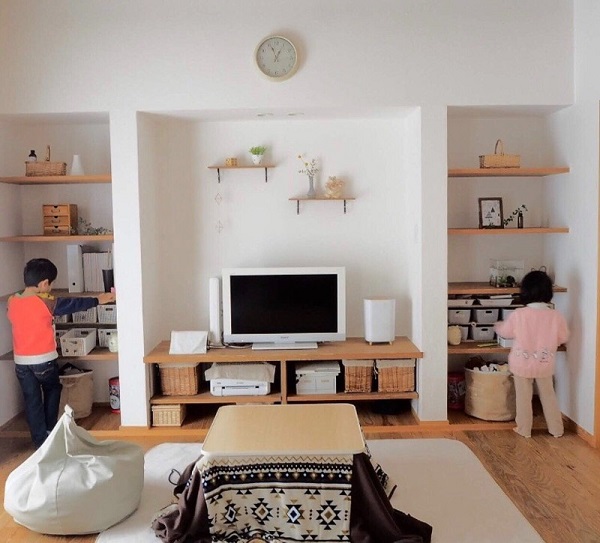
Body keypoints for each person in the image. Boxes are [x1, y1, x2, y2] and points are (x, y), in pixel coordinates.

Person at [7, 258, 116, 448]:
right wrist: (98, 299)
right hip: (44, 360)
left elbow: (19, 305)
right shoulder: (45, 302)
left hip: (21, 362)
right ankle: (50, 431)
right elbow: (72, 304)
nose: (51, 288)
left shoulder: (13, 301)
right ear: (44, 284)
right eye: (51, 284)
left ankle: (39, 440)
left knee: (31, 399)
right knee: (52, 389)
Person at [494, 270, 569, 438]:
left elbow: (506, 332)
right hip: (544, 364)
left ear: (525, 291)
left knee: (523, 398)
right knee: (549, 396)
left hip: (521, 364)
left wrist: (497, 326)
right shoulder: (555, 316)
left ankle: (524, 429)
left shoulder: (519, 314)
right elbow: (563, 337)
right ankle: (556, 429)